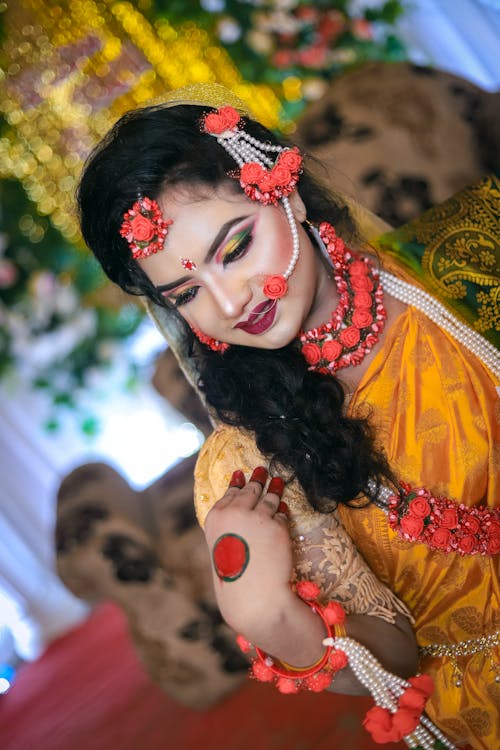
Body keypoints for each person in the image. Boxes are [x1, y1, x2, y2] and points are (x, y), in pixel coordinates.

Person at [77, 84, 499, 750]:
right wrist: (269, 616)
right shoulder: (251, 466)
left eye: (235, 248)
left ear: (287, 193)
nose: (230, 301)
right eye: (185, 292)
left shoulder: (468, 261)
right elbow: (394, 660)